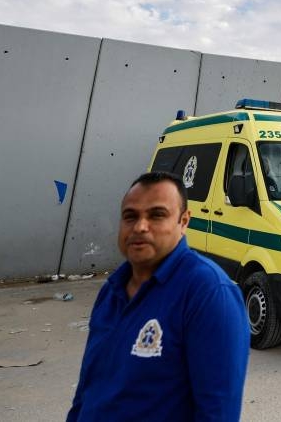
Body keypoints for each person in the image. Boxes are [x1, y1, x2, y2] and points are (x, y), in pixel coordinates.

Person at [68, 172, 249, 421]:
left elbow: (218, 412)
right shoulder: (111, 291)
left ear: (184, 222)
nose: (140, 226)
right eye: (130, 216)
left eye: (157, 215)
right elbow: (86, 391)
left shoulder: (208, 293)